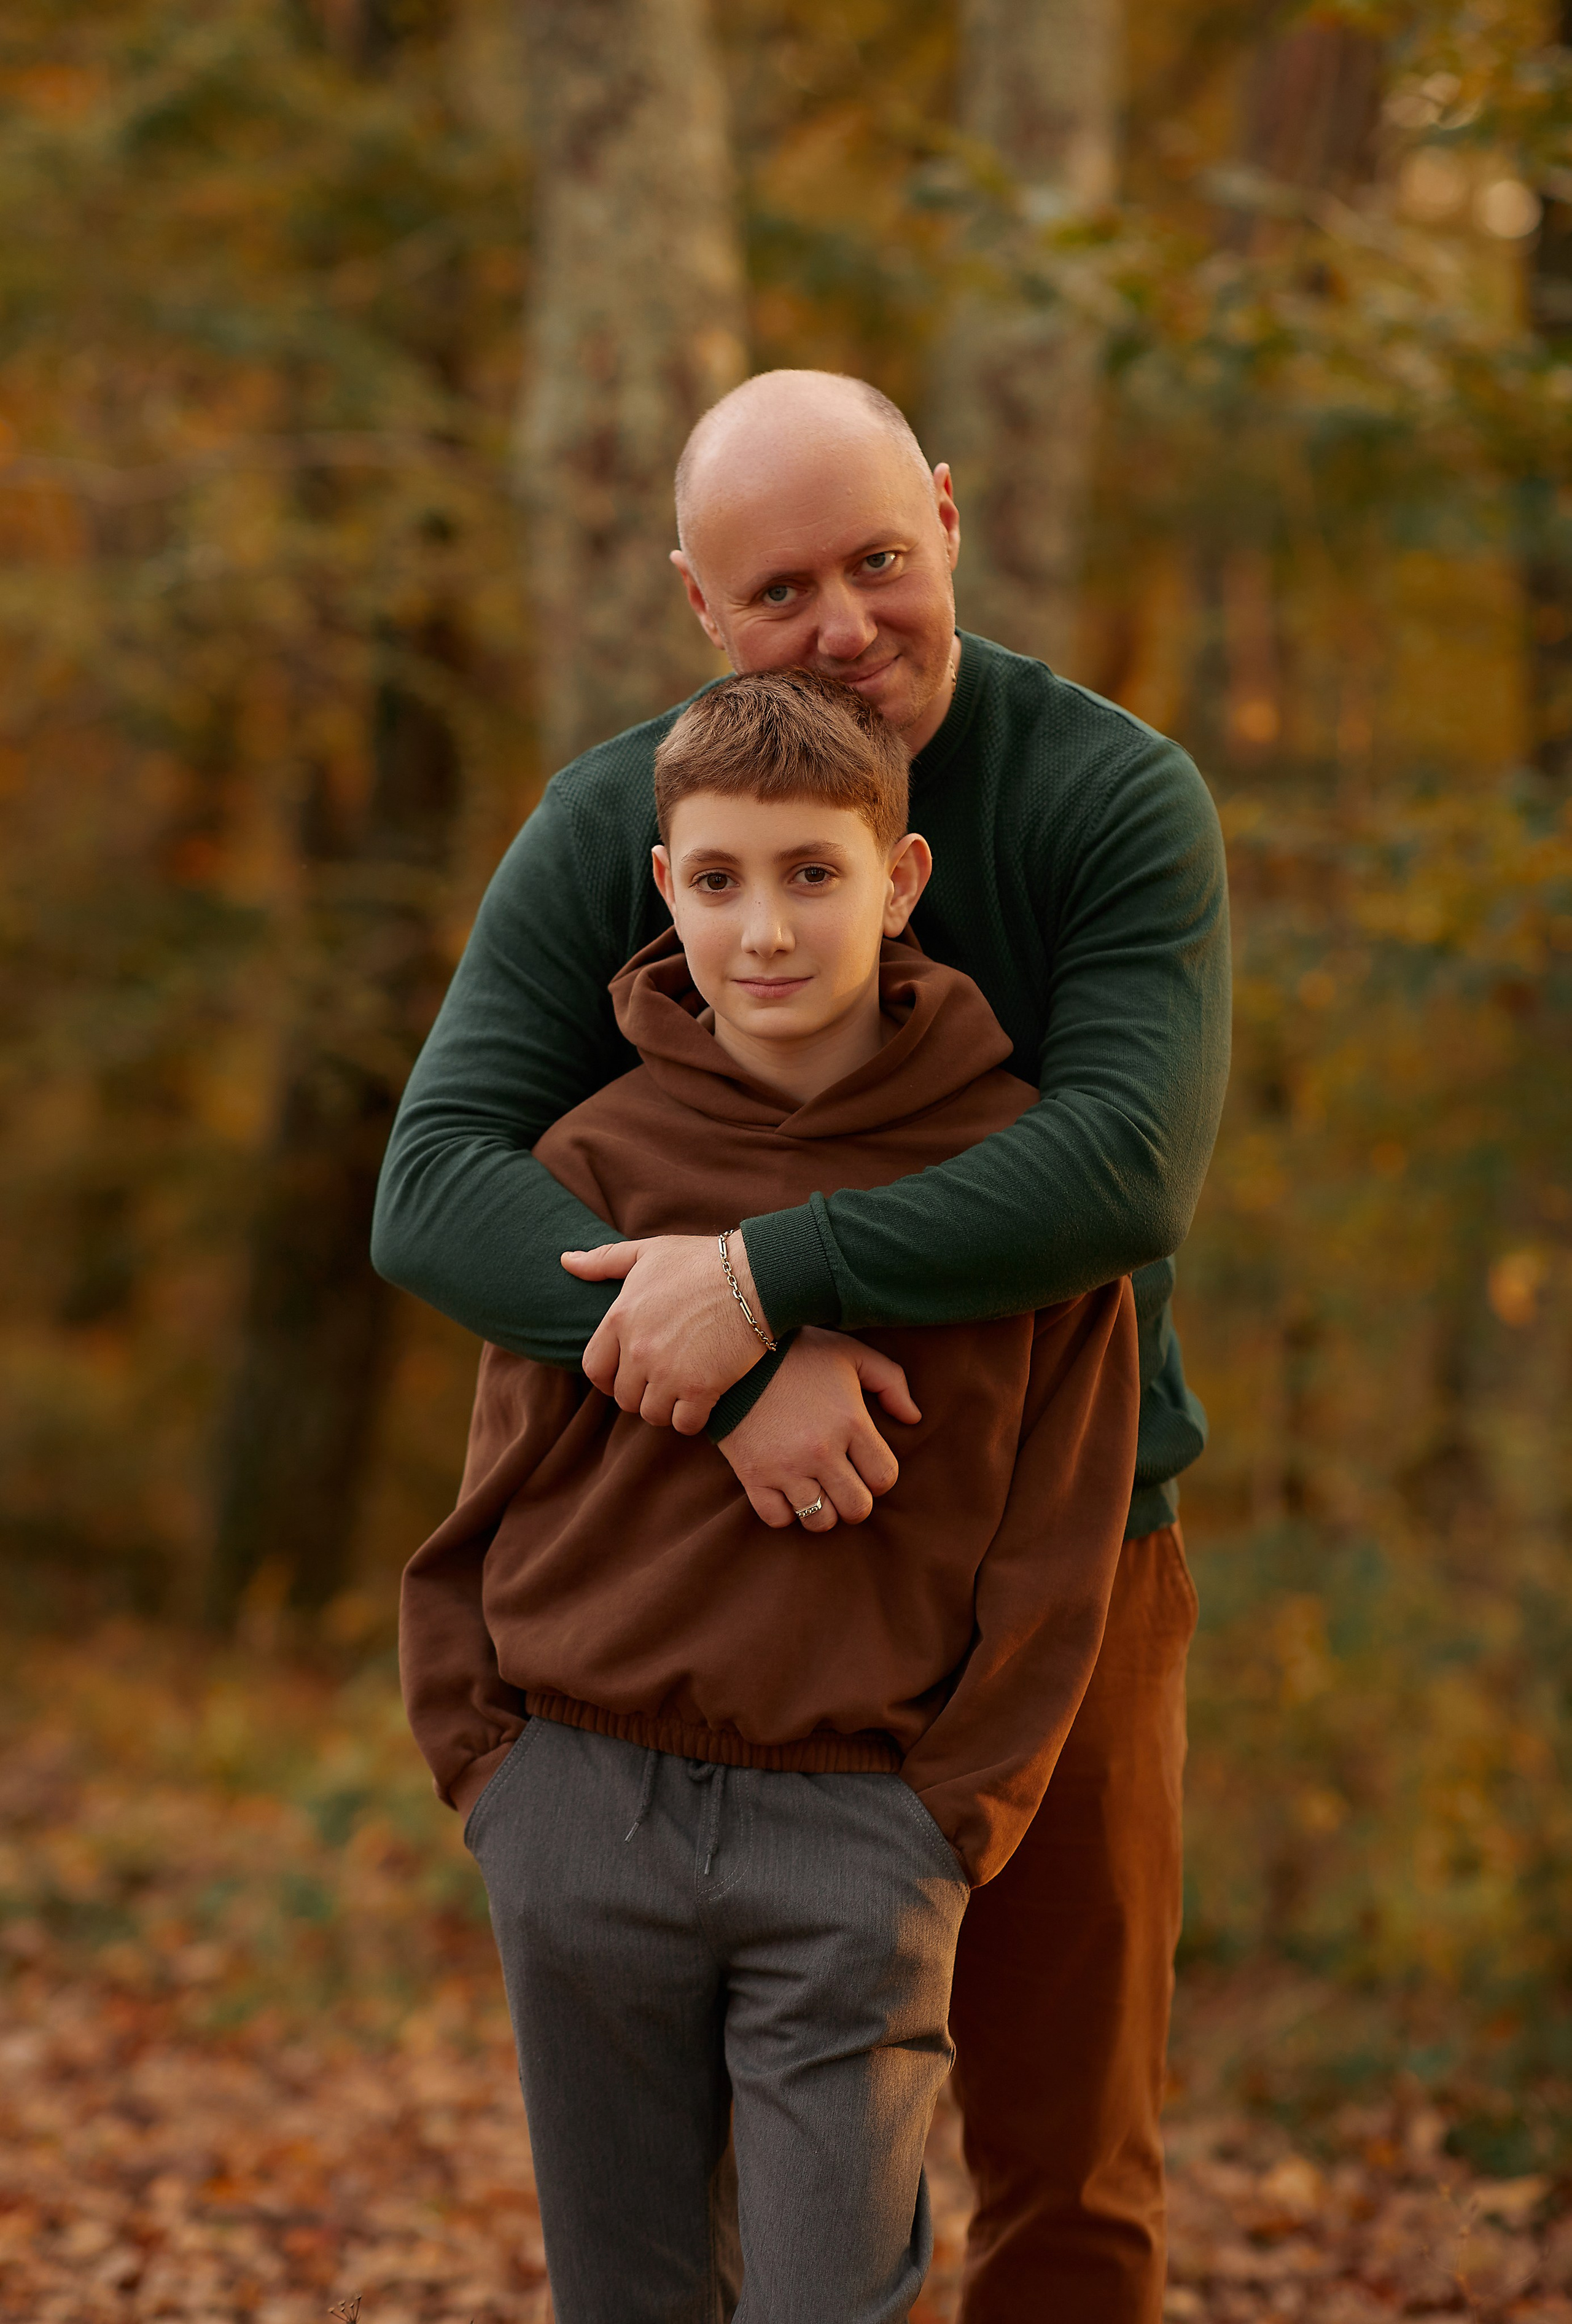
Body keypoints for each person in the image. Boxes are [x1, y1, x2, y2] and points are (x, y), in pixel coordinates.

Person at [373, 368, 1231, 2321]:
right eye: (778, 593)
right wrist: (740, 1373)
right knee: (734, 2218)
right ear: (700, 605)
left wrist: (767, 1280)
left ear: (946, 516)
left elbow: (1118, 1169)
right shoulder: (632, 818)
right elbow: (438, 1185)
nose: (841, 627)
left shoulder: (1104, 794)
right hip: (707, 1581)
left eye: (876, 562)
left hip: (1058, 1576)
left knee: (1069, 2170)